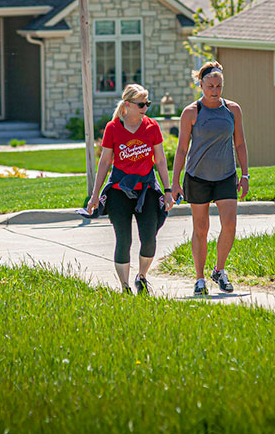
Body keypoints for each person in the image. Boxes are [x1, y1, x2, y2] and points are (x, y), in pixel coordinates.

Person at [86, 84, 174, 295]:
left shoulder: (152, 126)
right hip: (119, 191)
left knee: (149, 238)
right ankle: (125, 287)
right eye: (141, 104)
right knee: (123, 239)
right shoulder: (113, 128)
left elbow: (160, 161)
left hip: (146, 189)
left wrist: (168, 190)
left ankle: (142, 277)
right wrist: (95, 195)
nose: (145, 107)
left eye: (147, 103)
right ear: (127, 105)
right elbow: (105, 162)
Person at [171, 61, 249, 296]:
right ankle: (199, 279)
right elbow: (182, 149)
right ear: (201, 85)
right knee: (201, 228)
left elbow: (240, 143)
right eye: (210, 86)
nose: (215, 91)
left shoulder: (232, 110)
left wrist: (244, 174)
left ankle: (220, 270)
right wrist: (175, 182)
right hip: (198, 177)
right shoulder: (191, 112)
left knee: (230, 224)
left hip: (225, 174)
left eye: (219, 86)